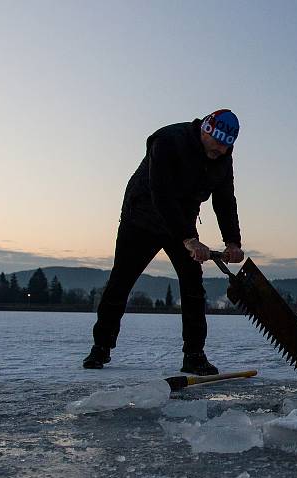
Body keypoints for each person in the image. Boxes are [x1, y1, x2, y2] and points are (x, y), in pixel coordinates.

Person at [83, 109, 245, 374]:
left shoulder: (222, 158)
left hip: (183, 218)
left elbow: (225, 200)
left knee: (193, 284)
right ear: (205, 130)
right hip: (143, 215)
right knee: (121, 281)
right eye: (215, 148)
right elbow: (162, 194)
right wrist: (189, 240)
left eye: (225, 150)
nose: (219, 154)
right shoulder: (169, 140)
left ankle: (194, 355)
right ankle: (100, 348)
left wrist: (233, 241)